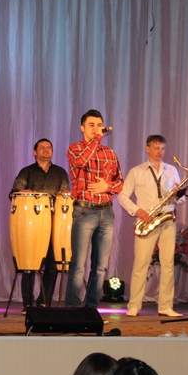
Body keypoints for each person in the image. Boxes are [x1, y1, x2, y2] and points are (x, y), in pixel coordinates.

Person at [117, 135, 185, 317]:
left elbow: (181, 199)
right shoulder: (137, 171)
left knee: (168, 265)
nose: (160, 152)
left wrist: (178, 194)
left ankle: (165, 306)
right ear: (147, 149)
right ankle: (134, 305)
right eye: (156, 148)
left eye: (162, 148)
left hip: (167, 219)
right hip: (147, 220)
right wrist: (137, 211)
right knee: (141, 264)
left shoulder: (172, 170)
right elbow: (122, 196)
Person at [65, 109, 123, 308]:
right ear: (82, 128)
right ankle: (73, 309)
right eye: (91, 125)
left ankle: (90, 309)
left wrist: (108, 186)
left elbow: (120, 182)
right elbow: (80, 161)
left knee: (100, 267)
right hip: (84, 211)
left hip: (106, 212)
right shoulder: (75, 148)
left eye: (99, 125)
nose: (96, 129)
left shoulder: (110, 153)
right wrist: (96, 140)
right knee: (78, 265)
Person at [9, 138, 70, 314]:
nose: (46, 150)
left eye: (49, 147)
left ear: (52, 152)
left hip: (53, 224)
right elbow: (13, 194)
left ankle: (44, 303)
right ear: (34, 152)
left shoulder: (60, 172)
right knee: (29, 265)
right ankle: (28, 305)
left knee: (51, 266)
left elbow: (64, 197)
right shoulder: (26, 172)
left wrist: (64, 194)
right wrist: (22, 192)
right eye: (42, 147)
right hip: (31, 226)